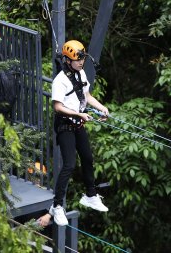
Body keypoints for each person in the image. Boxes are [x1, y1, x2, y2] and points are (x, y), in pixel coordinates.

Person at [49, 40, 109, 226]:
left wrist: (102, 107)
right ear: (67, 60)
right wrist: (79, 114)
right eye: (77, 59)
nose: (81, 62)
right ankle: (57, 206)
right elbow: (58, 107)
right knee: (69, 164)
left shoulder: (80, 73)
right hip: (65, 125)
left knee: (88, 158)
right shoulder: (60, 80)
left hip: (78, 123)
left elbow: (87, 95)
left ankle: (90, 195)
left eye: (82, 58)